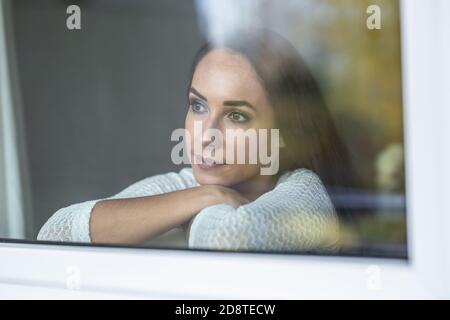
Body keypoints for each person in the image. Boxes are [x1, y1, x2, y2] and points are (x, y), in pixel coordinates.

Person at [37, 29, 354, 252]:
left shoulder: (306, 194)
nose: (206, 134)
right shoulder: (196, 184)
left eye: (237, 116)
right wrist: (206, 197)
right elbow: (55, 233)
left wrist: (181, 209)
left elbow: (224, 240)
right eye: (198, 106)